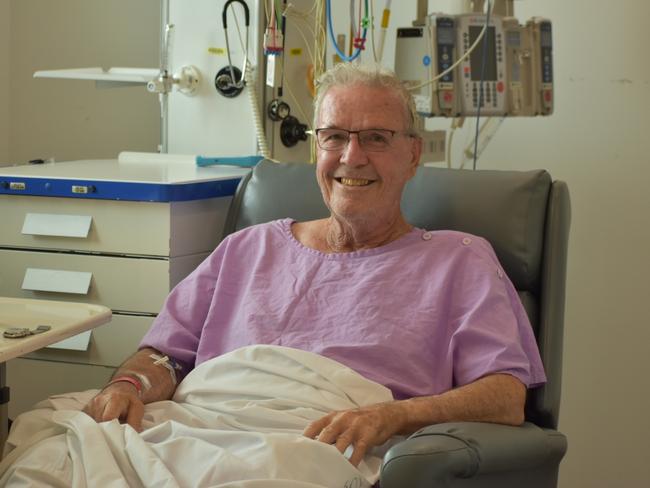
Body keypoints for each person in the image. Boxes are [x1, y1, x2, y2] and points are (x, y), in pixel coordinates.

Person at [83, 62, 545, 468]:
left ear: (413, 155)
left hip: (315, 446)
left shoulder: (459, 260)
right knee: (53, 446)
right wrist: (128, 385)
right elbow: (165, 354)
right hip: (196, 426)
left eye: (376, 138)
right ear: (316, 149)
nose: (351, 156)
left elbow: (505, 397)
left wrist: (396, 416)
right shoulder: (248, 248)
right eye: (335, 136)